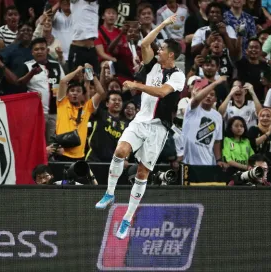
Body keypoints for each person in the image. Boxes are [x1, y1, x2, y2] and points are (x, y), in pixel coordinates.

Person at [95, 14, 185, 240]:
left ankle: (127, 218)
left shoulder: (178, 76)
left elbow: (162, 93)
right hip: (140, 121)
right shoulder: (152, 65)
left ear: (171, 54)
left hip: (159, 129)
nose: (158, 50)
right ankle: (109, 193)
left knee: (143, 173)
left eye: (162, 48)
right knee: (120, 151)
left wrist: (137, 85)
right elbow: (144, 43)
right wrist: (163, 24)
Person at [17, 37, 65, 143]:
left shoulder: (56, 65)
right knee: (37, 142)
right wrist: (32, 73)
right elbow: (19, 83)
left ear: (47, 50)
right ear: (32, 52)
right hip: (36, 112)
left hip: (54, 112)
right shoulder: (27, 66)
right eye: (36, 49)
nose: (39, 51)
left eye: (42, 49)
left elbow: (63, 84)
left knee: (52, 144)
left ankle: (51, 160)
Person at [56, 64, 106, 161]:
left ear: (83, 96)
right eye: (72, 91)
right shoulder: (62, 103)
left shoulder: (87, 107)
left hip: (79, 155)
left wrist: (93, 75)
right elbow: (63, 82)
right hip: (62, 152)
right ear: (67, 94)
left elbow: (101, 93)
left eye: (78, 91)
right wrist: (77, 70)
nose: (74, 93)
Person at [182, 77, 226, 165]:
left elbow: (217, 141)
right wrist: (216, 83)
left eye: (212, 94)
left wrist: (218, 160)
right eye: (206, 93)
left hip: (208, 162)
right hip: (187, 161)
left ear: (215, 99)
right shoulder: (192, 108)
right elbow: (196, 99)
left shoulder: (217, 116)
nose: (208, 96)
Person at [86, 91, 128, 162]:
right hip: (94, 159)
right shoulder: (100, 114)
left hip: (113, 162)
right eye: (114, 100)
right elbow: (91, 103)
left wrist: (125, 158)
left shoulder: (126, 123)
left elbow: (127, 144)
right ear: (107, 103)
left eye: (119, 100)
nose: (117, 102)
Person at [68, 0, 99, 74]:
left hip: (91, 51)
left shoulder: (96, 3)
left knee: (92, 80)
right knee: (76, 81)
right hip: (78, 50)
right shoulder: (75, 1)